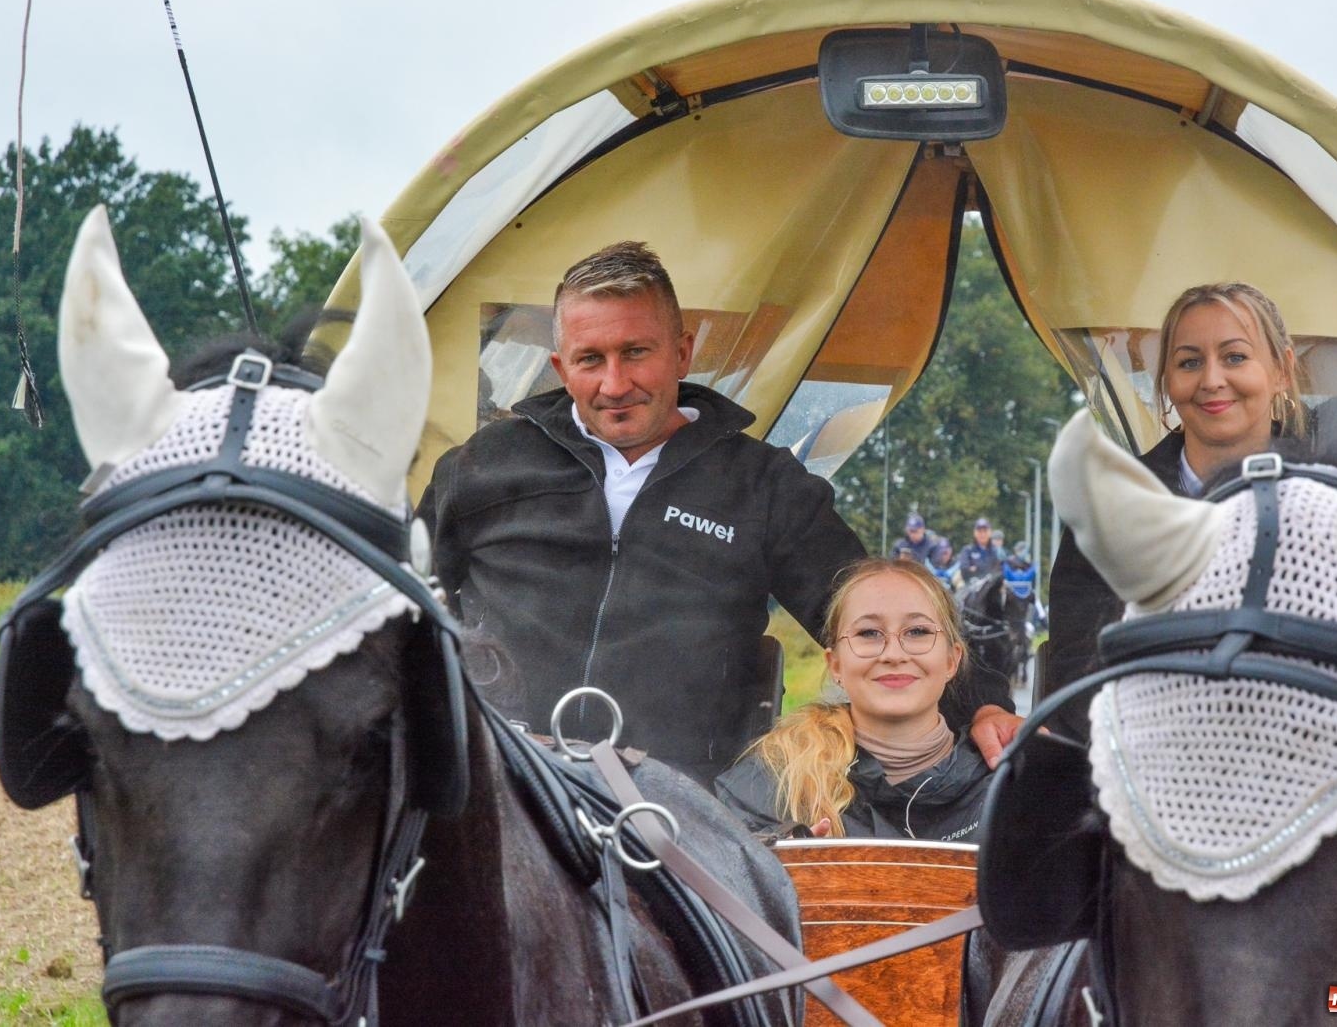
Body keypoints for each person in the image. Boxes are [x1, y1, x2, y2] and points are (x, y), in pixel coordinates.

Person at [420, 242, 1017, 784]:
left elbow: (866, 612)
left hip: (687, 798)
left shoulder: (764, 485)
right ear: (560, 368)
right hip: (500, 778)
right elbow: (400, 601)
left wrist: (984, 704)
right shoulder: (480, 467)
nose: (615, 383)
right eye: (590, 360)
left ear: (682, 354)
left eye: (636, 352)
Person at [1038, 281, 1305, 739]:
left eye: (1235, 357)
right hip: (1148, 755)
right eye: (1189, 362)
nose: (1212, 380)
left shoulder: (1336, 498)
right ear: (1166, 380)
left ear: (1281, 369)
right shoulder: (1109, 508)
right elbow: (1080, 672)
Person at [715, 559, 994, 841]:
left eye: (917, 631)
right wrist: (776, 860)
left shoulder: (1008, 784)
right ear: (835, 664)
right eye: (869, 633)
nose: (894, 654)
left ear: (951, 660)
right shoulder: (770, 785)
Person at [956, 518, 1001, 583]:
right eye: (979, 531)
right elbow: (964, 570)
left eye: (985, 531)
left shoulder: (995, 551)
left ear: (990, 533)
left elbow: (998, 570)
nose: (982, 534)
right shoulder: (967, 550)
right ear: (975, 533)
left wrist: (976, 568)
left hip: (992, 584)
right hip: (972, 585)